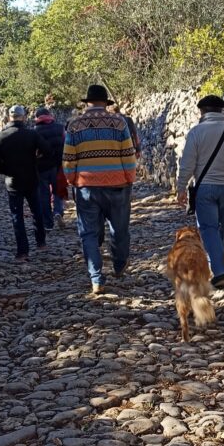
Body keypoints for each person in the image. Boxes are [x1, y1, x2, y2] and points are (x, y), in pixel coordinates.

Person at [63, 84, 136, 294]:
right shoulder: (119, 123)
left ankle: (96, 278)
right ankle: (120, 265)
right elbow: (128, 155)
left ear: (87, 103)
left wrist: (72, 180)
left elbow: (68, 159)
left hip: (87, 188)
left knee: (88, 233)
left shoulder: (74, 125)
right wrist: (129, 178)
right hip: (118, 185)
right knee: (120, 228)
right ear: (106, 103)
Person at [176, 94, 224, 289]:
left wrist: (181, 188)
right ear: (221, 111)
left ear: (202, 111)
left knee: (208, 228)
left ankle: (219, 271)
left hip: (205, 187)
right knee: (220, 227)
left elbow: (187, 164)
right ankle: (216, 264)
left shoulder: (197, 132)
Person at [0, 105, 51, 263]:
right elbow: (48, 150)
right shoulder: (32, 135)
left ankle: (22, 252)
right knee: (36, 211)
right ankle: (41, 242)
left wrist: (6, 170)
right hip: (31, 178)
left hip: (13, 181)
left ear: (9, 117)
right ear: (23, 117)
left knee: (17, 216)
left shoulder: (0, 137)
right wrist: (36, 160)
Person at [33, 106, 65, 229]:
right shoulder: (60, 127)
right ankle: (58, 211)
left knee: (44, 194)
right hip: (58, 165)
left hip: (42, 167)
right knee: (58, 191)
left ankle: (48, 223)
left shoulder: (35, 130)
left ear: (38, 118)